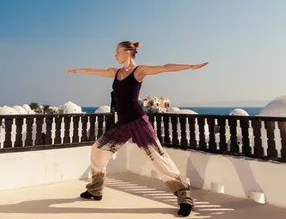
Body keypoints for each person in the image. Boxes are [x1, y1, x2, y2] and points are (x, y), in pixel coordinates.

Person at [64, 41, 208, 217]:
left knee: (158, 159)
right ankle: (95, 190)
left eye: (117, 51)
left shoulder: (139, 71)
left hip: (138, 121)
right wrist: (77, 71)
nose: (115, 54)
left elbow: (165, 67)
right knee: (98, 149)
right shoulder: (115, 72)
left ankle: (185, 198)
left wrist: (191, 66)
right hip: (123, 123)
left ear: (127, 53)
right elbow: (94, 71)